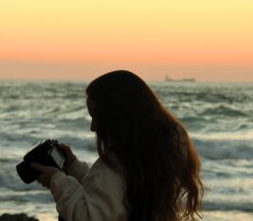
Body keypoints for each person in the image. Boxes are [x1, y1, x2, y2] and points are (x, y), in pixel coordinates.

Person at [31, 70, 204, 221]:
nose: (93, 127)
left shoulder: (117, 163)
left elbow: (89, 216)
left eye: (96, 117)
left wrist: (56, 180)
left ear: (116, 119)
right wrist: (74, 167)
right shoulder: (158, 152)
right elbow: (113, 195)